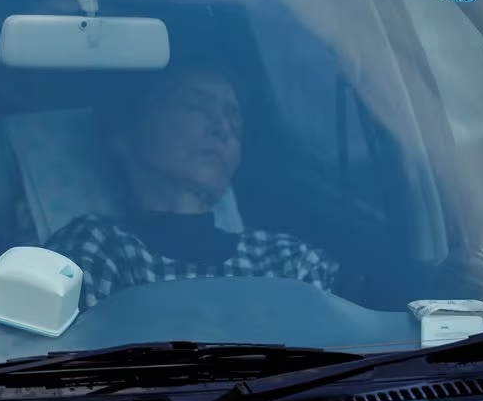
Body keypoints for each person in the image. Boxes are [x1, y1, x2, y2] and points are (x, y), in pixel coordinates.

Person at [45, 65, 340, 309]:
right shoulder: (97, 248)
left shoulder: (288, 261)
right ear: (125, 134)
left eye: (234, 121)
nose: (222, 127)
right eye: (195, 105)